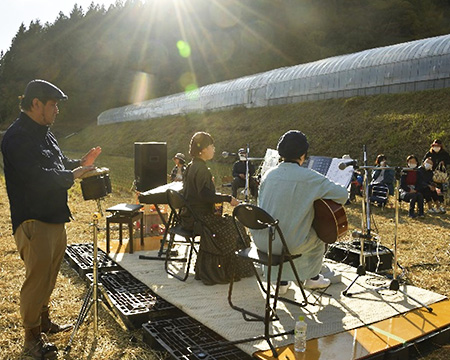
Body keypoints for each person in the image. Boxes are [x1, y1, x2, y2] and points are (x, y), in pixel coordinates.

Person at [1, 79, 102, 359]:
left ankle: (43, 321)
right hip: (34, 219)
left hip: (54, 216)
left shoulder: (44, 132)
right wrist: (74, 175)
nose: (57, 110)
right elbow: (38, 177)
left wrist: (81, 163)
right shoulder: (16, 137)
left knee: (49, 275)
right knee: (37, 279)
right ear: (36, 104)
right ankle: (32, 336)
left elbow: (57, 162)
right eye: (53, 105)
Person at [252, 130, 348, 292]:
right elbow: (343, 195)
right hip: (287, 244)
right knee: (317, 235)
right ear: (303, 154)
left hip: (262, 241)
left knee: (286, 228)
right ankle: (312, 277)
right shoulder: (310, 177)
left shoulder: (268, 174)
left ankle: (281, 282)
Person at [181, 132, 253, 285]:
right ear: (203, 150)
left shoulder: (191, 166)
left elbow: (196, 192)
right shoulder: (201, 169)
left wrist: (210, 185)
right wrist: (228, 198)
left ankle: (221, 267)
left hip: (189, 216)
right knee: (235, 226)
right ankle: (227, 270)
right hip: (199, 219)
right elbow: (205, 196)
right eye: (212, 146)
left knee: (231, 223)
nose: (214, 149)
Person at [422, 139, 450, 209]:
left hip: (441, 175)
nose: (436, 147)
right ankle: (433, 203)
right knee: (432, 187)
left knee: (442, 188)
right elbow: (423, 162)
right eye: (435, 146)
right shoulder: (429, 153)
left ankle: (441, 202)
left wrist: (444, 162)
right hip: (431, 174)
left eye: (438, 146)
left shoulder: (444, 154)